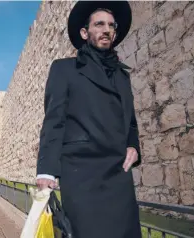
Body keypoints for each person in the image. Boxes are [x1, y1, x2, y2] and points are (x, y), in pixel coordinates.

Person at [36, 1, 142, 238]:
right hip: (82, 173)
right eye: (99, 24)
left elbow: (131, 121)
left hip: (119, 175)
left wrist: (133, 146)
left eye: (111, 26)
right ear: (85, 33)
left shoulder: (123, 77)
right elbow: (54, 121)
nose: (107, 29)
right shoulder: (64, 69)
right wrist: (46, 171)